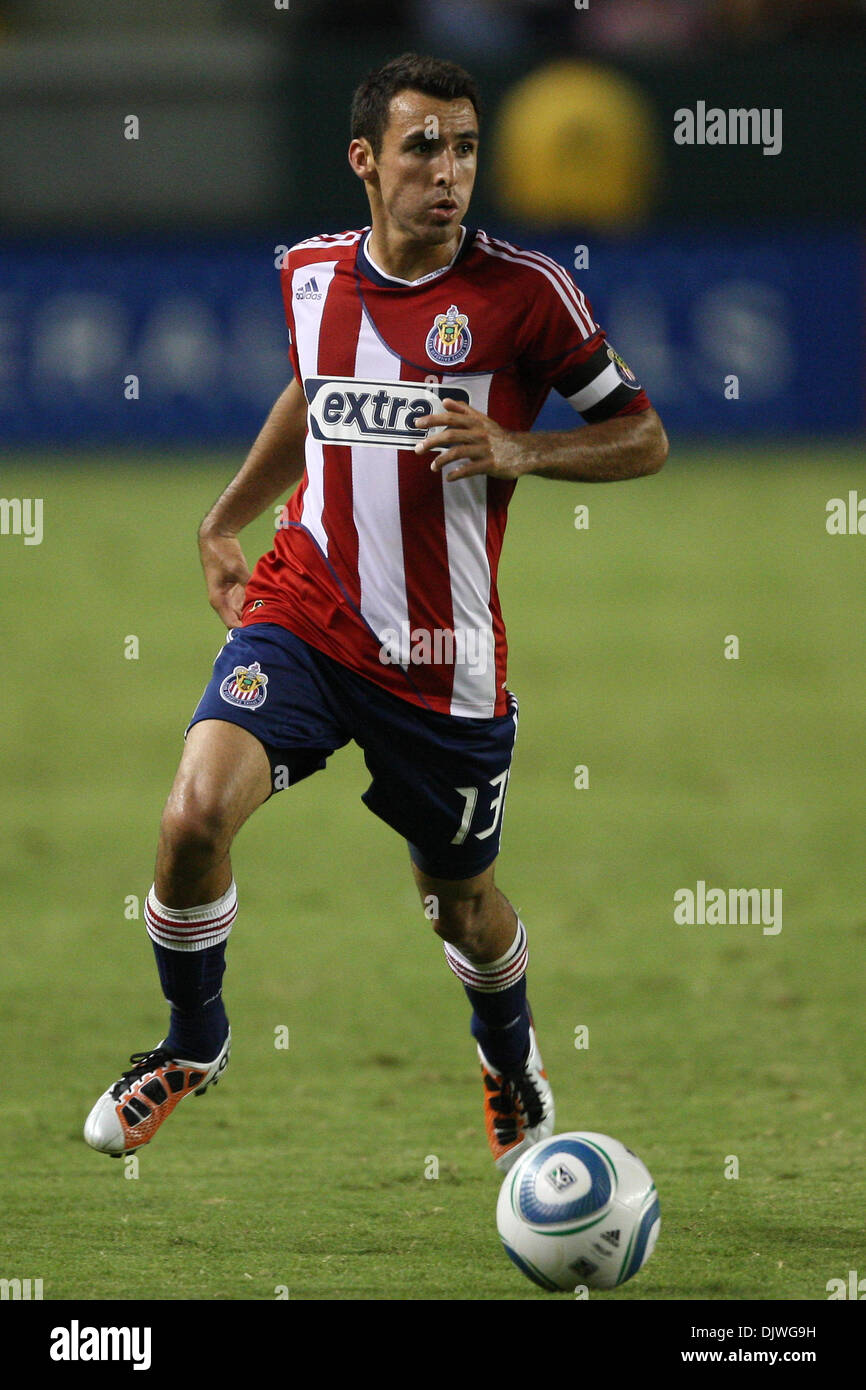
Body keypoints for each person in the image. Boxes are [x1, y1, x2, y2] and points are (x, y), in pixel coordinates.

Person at [84, 52, 667, 1175]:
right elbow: (313, 391)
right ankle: (191, 1042)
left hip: (441, 663)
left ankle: (508, 1058)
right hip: (304, 612)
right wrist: (226, 515)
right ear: (364, 159)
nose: (448, 173)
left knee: (462, 908)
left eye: (463, 148)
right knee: (192, 815)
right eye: (421, 148)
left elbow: (642, 435)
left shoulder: (524, 294)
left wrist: (517, 447)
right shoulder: (308, 272)